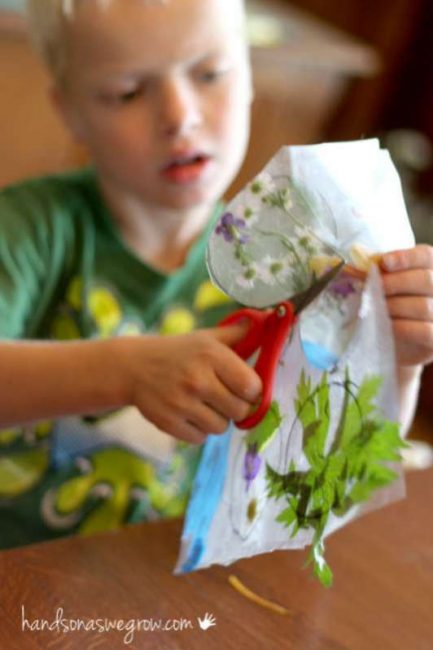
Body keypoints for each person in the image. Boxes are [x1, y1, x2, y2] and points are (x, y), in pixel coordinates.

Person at [0, 0, 431, 549]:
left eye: (209, 74)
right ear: (71, 111)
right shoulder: (30, 231)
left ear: (250, 74)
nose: (179, 115)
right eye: (128, 92)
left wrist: (398, 361)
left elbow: (336, 479)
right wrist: (127, 372)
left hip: (168, 586)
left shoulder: (301, 267)